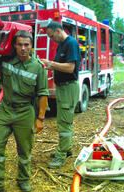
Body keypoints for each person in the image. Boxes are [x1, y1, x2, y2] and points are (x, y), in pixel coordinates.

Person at [0, 29, 49, 192]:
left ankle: (23, 179)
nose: (23, 48)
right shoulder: (6, 60)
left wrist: (40, 118)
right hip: (5, 110)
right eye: (19, 44)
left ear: (31, 46)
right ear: (15, 45)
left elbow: (43, 93)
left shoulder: (38, 67)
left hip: (25, 112)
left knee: (25, 150)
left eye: (26, 44)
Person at [41, 21, 80, 169]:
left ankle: (61, 155)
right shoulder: (62, 45)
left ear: (58, 31)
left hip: (69, 87)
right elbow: (61, 66)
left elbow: (70, 68)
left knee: (64, 122)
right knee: (64, 120)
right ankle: (67, 148)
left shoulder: (71, 43)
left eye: (51, 36)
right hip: (63, 88)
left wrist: (50, 64)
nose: (51, 39)